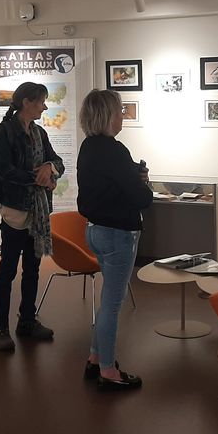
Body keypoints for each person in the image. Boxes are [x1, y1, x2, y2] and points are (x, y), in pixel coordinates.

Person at [77, 89, 153, 391]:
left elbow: (107, 182)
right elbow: (141, 198)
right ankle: (108, 371)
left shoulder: (89, 147)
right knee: (111, 304)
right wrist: (141, 183)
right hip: (118, 235)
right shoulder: (114, 150)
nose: (123, 115)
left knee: (107, 301)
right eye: (120, 110)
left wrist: (132, 176)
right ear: (108, 115)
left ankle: (96, 357)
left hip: (95, 231)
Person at [0, 81, 65, 352]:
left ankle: (27, 320)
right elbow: (4, 171)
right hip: (14, 211)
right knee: (7, 271)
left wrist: (49, 168)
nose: (45, 106)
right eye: (41, 101)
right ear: (26, 103)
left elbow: (59, 163)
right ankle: (0, 327)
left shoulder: (39, 133)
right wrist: (40, 178)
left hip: (37, 212)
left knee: (32, 269)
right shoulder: (4, 133)